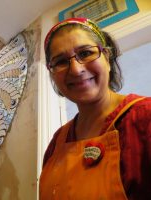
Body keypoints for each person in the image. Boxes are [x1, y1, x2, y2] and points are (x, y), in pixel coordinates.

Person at [39, 17, 151, 200]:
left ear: (107, 58)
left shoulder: (145, 117)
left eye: (85, 53)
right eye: (60, 61)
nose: (76, 70)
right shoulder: (56, 143)